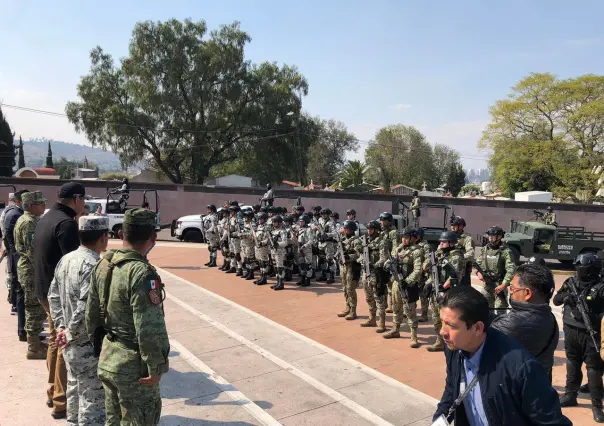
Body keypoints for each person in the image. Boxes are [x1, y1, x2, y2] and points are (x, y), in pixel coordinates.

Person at [433, 286, 571, 426]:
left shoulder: (521, 368)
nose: (442, 332)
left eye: (451, 325)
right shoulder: (454, 348)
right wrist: (437, 422)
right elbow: (452, 389)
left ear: (477, 328)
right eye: (442, 322)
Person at [86, 208, 169, 425]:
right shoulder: (141, 273)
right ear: (152, 237)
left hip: (109, 356)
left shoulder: (104, 263)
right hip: (133, 368)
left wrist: (100, 347)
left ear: (121, 234)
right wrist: (155, 366)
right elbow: (148, 327)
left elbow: (91, 315)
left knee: (113, 421)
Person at [48, 216, 109, 425]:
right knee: (93, 400)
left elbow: (52, 296)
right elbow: (85, 307)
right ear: (103, 237)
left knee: (74, 391)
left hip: (69, 344)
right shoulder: (93, 265)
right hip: (87, 344)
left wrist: (61, 328)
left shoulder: (66, 259)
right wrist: (70, 332)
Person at [34, 182, 86, 418]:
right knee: (65, 342)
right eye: (83, 200)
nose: (84, 204)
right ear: (75, 199)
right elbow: (73, 264)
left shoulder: (47, 217)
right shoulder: (66, 224)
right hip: (57, 295)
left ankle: (52, 391)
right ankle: (60, 400)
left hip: (44, 289)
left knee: (56, 341)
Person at [553, 252, 604, 422]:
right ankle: (570, 394)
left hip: (591, 333)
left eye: (579, 266)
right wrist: (568, 297)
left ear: (589, 269)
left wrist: (593, 314)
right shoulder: (571, 283)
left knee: (594, 369)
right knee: (572, 362)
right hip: (571, 330)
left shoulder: (601, 287)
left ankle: (597, 406)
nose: (576, 269)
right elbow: (556, 300)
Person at [490, 263, 558, 383]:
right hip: (538, 385)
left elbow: (479, 340)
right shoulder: (547, 315)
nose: (510, 292)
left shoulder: (514, 323)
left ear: (527, 293)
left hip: (516, 391)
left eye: (512, 288)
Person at [14, 191, 48, 360]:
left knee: (34, 308)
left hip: (29, 269)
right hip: (30, 270)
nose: (44, 206)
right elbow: (32, 251)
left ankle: (35, 341)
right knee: (33, 309)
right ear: (32, 206)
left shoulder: (29, 220)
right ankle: (33, 347)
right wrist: (42, 271)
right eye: (41, 203)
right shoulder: (28, 222)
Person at [383, 227, 422, 348]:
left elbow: (418, 270)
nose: (404, 239)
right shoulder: (398, 248)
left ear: (413, 238)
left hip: (408, 285)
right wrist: (388, 264)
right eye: (403, 237)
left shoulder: (417, 251)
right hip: (396, 283)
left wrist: (407, 281)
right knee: (396, 307)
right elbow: (388, 261)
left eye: (406, 237)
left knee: (410, 310)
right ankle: (395, 329)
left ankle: (413, 336)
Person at [3, 190, 29, 338]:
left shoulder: (13, 213)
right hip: (19, 259)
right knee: (22, 295)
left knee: (21, 294)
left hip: (16, 258)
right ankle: (23, 330)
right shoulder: (16, 215)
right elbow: (11, 240)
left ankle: (23, 329)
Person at [475, 226, 515, 311]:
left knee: (500, 311)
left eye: (492, 236)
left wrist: (504, 285)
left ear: (499, 237)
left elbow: (511, 269)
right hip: (487, 285)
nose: (490, 238)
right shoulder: (485, 249)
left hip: (499, 285)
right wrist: (478, 273)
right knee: (484, 309)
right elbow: (478, 263)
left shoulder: (506, 251)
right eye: (489, 236)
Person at [337, 220, 362, 320]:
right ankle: (347, 307)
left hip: (352, 267)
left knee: (350, 289)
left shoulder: (356, 240)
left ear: (352, 229)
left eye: (346, 228)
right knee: (345, 288)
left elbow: (359, 255)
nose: (345, 229)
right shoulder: (342, 238)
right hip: (343, 267)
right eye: (344, 228)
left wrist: (348, 257)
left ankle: (353, 311)